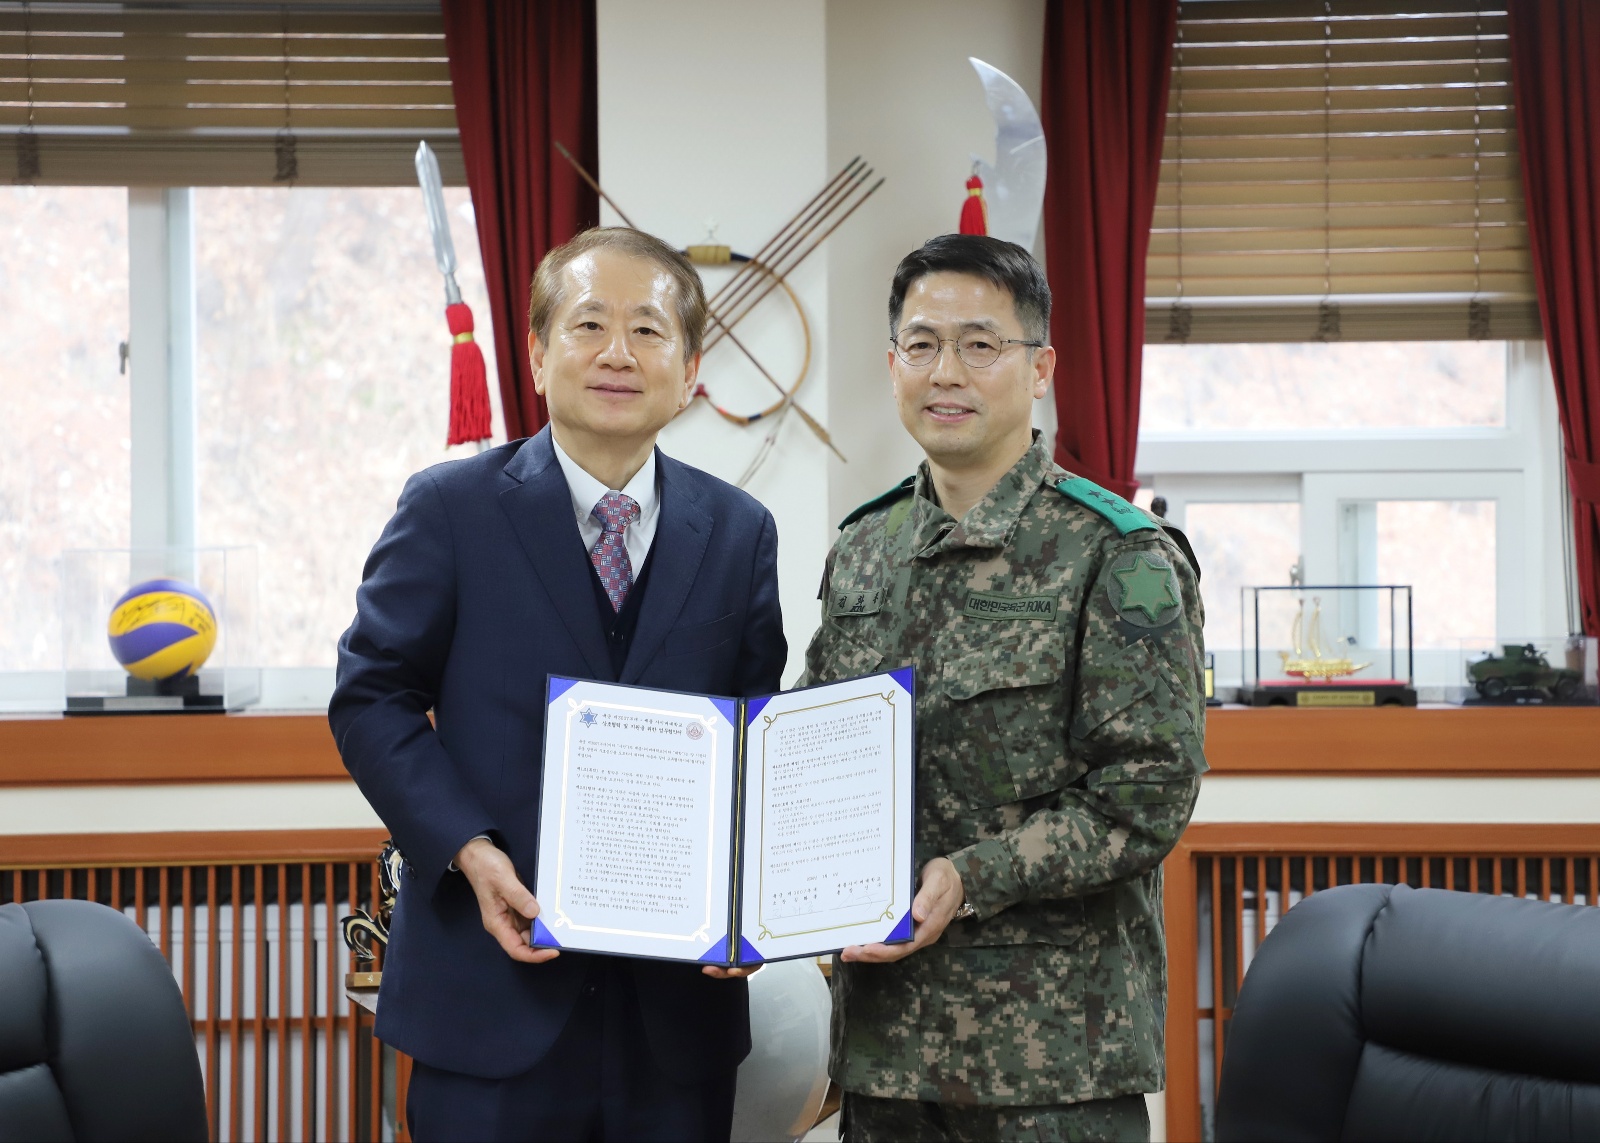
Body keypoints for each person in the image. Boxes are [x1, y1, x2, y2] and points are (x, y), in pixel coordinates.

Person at [330, 227, 787, 1142]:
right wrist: (468, 848)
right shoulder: (449, 508)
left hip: (676, 1018)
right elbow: (370, 695)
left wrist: (755, 901)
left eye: (650, 331)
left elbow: (758, 739)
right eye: (588, 325)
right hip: (489, 994)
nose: (618, 352)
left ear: (691, 367)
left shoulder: (739, 531)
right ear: (537, 352)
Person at [802, 234, 1206, 1143]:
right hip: (885, 1051)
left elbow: (1146, 796)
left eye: (981, 345)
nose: (947, 371)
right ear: (893, 363)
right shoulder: (865, 548)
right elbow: (808, 750)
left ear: (1040, 368)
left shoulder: (1118, 554)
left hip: (1054, 1061)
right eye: (922, 344)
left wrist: (969, 876)